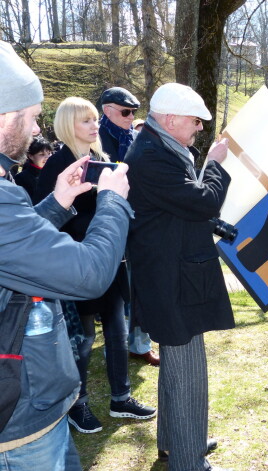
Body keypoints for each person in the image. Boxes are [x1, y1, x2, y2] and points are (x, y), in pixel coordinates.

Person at [0, 41, 132, 470]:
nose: (36, 129)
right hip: (20, 423)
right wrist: (113, 200)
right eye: (32, 117)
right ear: (4, 116)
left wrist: (58, 202)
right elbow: (88, 273)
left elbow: (16, 245)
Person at [124, 83, 233, 471]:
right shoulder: (153, 155)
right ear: (170, 119)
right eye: (194, 121)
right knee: (188, 373)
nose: (200, 129)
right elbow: (202, 200)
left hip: (172, 274)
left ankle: (175, 441)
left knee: (176, 363)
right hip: (171, 280)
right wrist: (217, 164)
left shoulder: (159, 146)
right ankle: (190, 461)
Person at [34, 97, 156, 434]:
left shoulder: (101, 159)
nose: (93, 126)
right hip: (76, 265)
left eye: (93, 120)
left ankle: (121, 398)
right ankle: (78, 404)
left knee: (117, 332)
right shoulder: (59, 165)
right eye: (85, 121)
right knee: (84, 338)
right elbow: (47, 222)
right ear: (67, 125)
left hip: (112, 263)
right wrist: (100, 216)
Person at [98, 87, 159, 367]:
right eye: (125, 112)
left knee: (141, 285)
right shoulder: (95, 141)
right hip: (107, 224)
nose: (130, 116)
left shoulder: (135, 138)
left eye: (133, 112)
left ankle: (139, 344)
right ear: (107, 111)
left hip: (138, 222)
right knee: (114, 291)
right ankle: (115, 344)